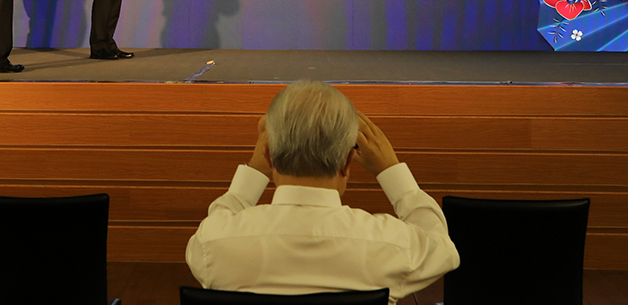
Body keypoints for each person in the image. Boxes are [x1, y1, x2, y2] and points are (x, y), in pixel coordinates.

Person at [186, 80, 459, 305]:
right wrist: (390, 169)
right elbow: (443, 247)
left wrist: (254, 172)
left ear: (268, 156)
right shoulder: (392, 246)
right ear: (347, 162)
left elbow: (219, 218)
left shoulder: (213, 244)